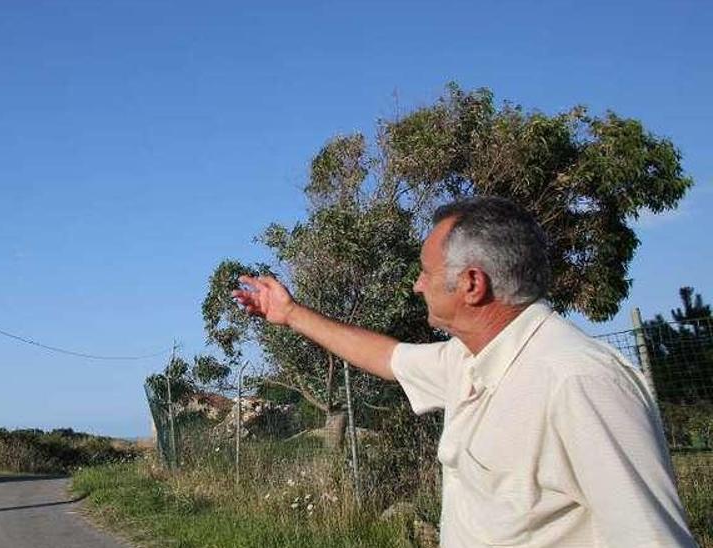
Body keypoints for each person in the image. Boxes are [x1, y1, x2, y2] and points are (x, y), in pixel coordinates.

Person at [231, 196, 695, 547]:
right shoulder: (469, 359)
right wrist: (290, 314)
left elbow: (651, 538)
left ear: (471, 283)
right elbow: (387, 358)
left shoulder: (579, 382)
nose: (417, 285)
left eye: (426, 273)